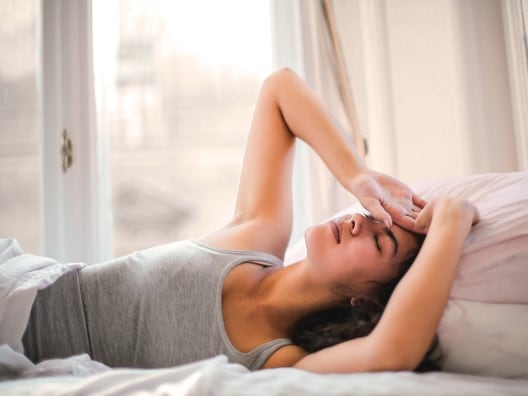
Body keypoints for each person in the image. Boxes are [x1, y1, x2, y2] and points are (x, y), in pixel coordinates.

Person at [21, 68, 479, 373]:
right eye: (373, 215)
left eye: (380, 242)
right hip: (20, 289)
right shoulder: (256, 235)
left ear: (363, 301)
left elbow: (394, 349)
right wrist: (357, 175)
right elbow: (280, 89)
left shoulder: (277, 360)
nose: (362, 221)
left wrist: (452, 221)